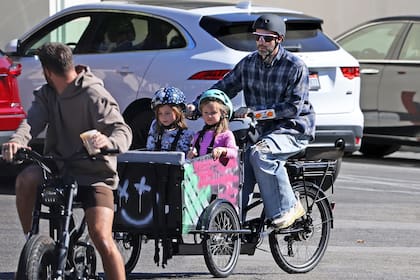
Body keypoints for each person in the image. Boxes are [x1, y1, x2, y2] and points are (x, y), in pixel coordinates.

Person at [1, 42, 132, 278]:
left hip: (95, 173)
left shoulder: (94, 94)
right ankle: (33, 242)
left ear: (47, 71)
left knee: (101, 236)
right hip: (59, 168)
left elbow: (122, 131)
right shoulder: (47, 94)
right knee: (26, 179)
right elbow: (31, 123)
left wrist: (108, 142)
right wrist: (17, 141)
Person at [187, 14, 316, 229]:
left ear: (279, 39)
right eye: (257, 38)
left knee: (260, 154)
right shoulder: (248, 64)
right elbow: (222, 88)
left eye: (267, 39)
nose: (261, 43)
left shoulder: (295, 66)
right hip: (262, 132)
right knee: (237, 165)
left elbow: (294, 108)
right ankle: (234, 223)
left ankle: (288, 207)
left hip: (293, 129)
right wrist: (196, 105)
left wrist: (256, 114)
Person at [187, 89, 238, 160]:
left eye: (213, 112)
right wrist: (192, 153)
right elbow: (193, 152)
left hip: (220, 170)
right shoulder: (198, 135)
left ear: (223, 113)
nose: (209, 116)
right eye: (206, 112)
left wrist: (222, 150)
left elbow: (234, 153)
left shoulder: (226, 134)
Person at [146, 87, 194, 154]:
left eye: (167, 113)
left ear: (178, 112)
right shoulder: (155, 127)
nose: (163, 117)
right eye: (160, 113)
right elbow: (150, 150)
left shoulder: (187, 134)